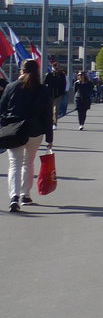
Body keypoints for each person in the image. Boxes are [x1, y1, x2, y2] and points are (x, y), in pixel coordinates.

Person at [0, 59, 54, 212]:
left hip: (14, 131)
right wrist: (49, 138)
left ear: (21, 70)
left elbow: (2, 109)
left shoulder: (11, 87)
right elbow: (47, 115)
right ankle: (26, 195)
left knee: (15, 163)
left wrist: (5, 126)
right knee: (28, 162)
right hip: (34, 132)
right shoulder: (42, 90)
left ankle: (14, 197)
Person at [45, 63, 67, 128]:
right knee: (49, 110)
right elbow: (45, 83)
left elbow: (64, 84)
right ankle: (50, 122)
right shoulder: (49, 75)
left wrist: (62, 93)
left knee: (55, 110)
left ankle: (54, 123)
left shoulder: (62, 75)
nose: (55, 68)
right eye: (54, 66)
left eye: (56, 66)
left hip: (58, 95)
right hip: (50, 94)